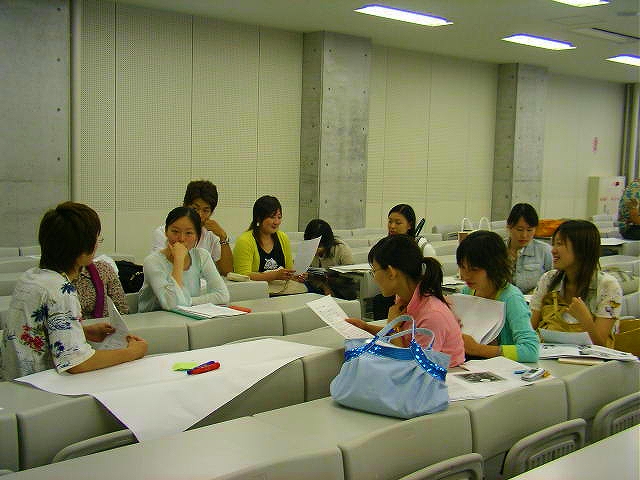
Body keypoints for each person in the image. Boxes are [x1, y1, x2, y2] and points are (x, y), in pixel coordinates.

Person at [1, 202, 147, 380]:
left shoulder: (31, 276)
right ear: (82, 250)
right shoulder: (61, 290)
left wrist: (83, 331)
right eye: (97, 239)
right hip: (38, 383)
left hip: (13, 379)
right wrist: (132, 352)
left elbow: (37, 333)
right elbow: (78, 363)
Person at [347, 235, 465, 367]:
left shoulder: (432, 315)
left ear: (391, 272)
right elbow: (406, 337)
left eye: (374, 271)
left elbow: (412, 368)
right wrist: (365, 327)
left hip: (444, 375)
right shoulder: (404, 297)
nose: (374, 278)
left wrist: (393, 326)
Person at [530, 220, 622, 347]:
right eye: (553, 244)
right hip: (548, 354)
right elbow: (530, 328)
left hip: (590, 358)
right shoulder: (548, 279)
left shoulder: (608, 286)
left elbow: (601, 345)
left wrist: (585, 320)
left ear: (581, 250)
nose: (553, 250)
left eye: (559, 244)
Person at [456, 230, 539, 362]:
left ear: (493, 267)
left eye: (474, 269)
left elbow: (530, 350)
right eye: (462, 267)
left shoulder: (511, 298)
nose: (465, 276)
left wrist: (478, 349)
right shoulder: (466, 293)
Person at [139, 207, 230, 312]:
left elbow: (223, 296)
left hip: (188, 316)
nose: (181, 238)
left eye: (189, 233)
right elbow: (171, 304)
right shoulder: (152, 261)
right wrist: (179, 260)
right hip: (154, 319)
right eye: (175, 231)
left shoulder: (201, 255)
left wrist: (187, 302)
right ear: (166, 232)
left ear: (197, 236)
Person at [151, 180, 233, 275]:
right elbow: (160, 269)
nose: (199, 215)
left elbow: (227, 271)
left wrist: (223, 237)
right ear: (184, 205)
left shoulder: (211, 234)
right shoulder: (163, 232)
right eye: (195, 208)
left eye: (205, 210)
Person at [373, 204, 437, 319]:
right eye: (390, 222)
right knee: (380, 300)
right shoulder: (387, 245)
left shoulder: (422, 246)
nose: (392, 226)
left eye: (398, 223)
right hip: (398, 294)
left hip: (413, 295)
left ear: (410, 225)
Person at [233, 195, 305, 285]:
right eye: (272, 217)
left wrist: (296, 276)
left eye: (279, 217)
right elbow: (243, 275)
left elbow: (289, 271)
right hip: (257, 290)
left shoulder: (283, 238)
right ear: (259, 218)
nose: (276, 222)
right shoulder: (245, 241)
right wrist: (274, 276)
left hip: (283, 287)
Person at [506, 203, 552, 294]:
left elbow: (555, 281)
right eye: (519, 229)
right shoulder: (497, 249)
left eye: (529, 230)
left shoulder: (545, 251)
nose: (524, 235)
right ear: (509, 227)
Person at [303, 219, 355, 298]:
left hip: (340, 286)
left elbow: (351, 276)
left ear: (327, 242)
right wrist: (324, 287)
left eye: (319, 245)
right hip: (318, 285)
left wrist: (332, 280)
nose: (315, 249)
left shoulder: (341, 249)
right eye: (312, 244)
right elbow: (310, 276)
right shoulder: (307, 250)